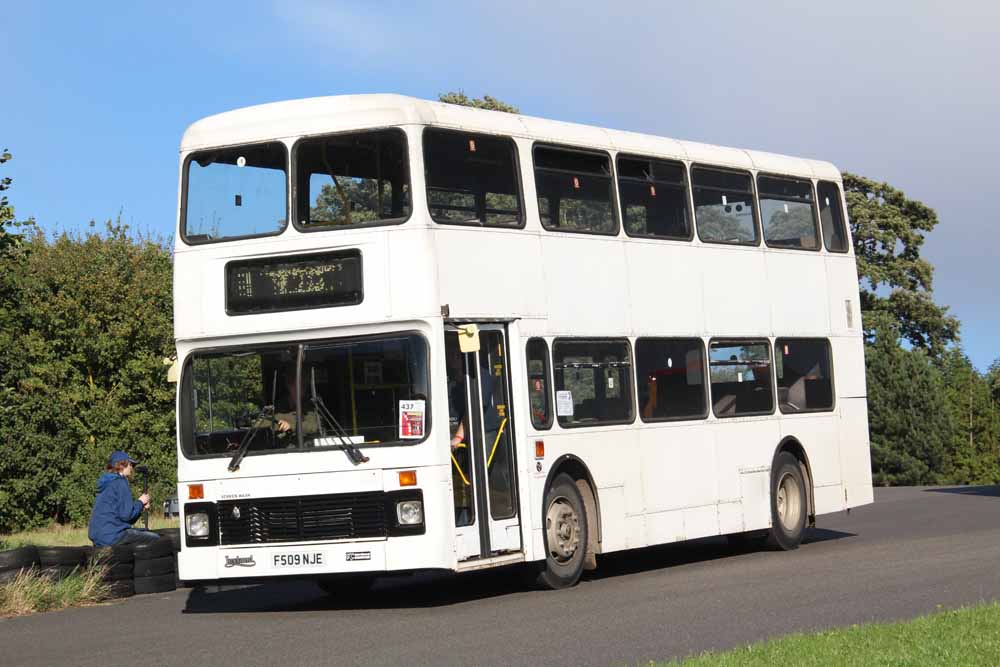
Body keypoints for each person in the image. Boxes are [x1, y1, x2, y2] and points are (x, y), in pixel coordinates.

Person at [88, 451, 159, 547]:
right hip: (113, 535)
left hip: (99, 536)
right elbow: (127, 516)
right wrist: (141, 501)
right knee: (157, 539)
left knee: (142, 533)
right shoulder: (120, 482)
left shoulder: (107, 483)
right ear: (121, 465)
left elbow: (125, 517)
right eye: (130, 464)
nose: (132, 468)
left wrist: (140, 506)